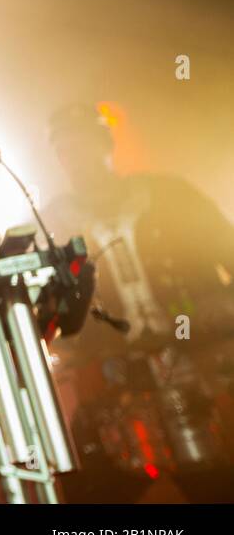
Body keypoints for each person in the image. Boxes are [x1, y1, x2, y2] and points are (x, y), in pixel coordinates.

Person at [43, 103, 234, 502]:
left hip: (200, 361)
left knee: (217, 479)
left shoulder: (168, 195)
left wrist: (213, 314)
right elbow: (46, 309)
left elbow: (227, 251)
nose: (75, 157)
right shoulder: (53, 224)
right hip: (115, 378)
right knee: (99, 489)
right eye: (65, 150)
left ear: (105, 144)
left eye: (82, 144)